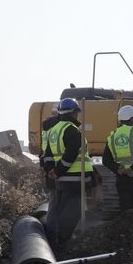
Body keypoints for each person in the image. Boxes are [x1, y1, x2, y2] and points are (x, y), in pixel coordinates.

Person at [40, 96, 96, 251]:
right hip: (75, 177)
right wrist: (57, 171)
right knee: (72, 210)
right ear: (73, 113)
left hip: (62, 179)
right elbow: (71, 154)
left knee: (60, 209)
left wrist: (51, 169)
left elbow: (49, 154)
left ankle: (56, 238)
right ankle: (62, 241)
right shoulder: (73, 131)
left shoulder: (54, 131)